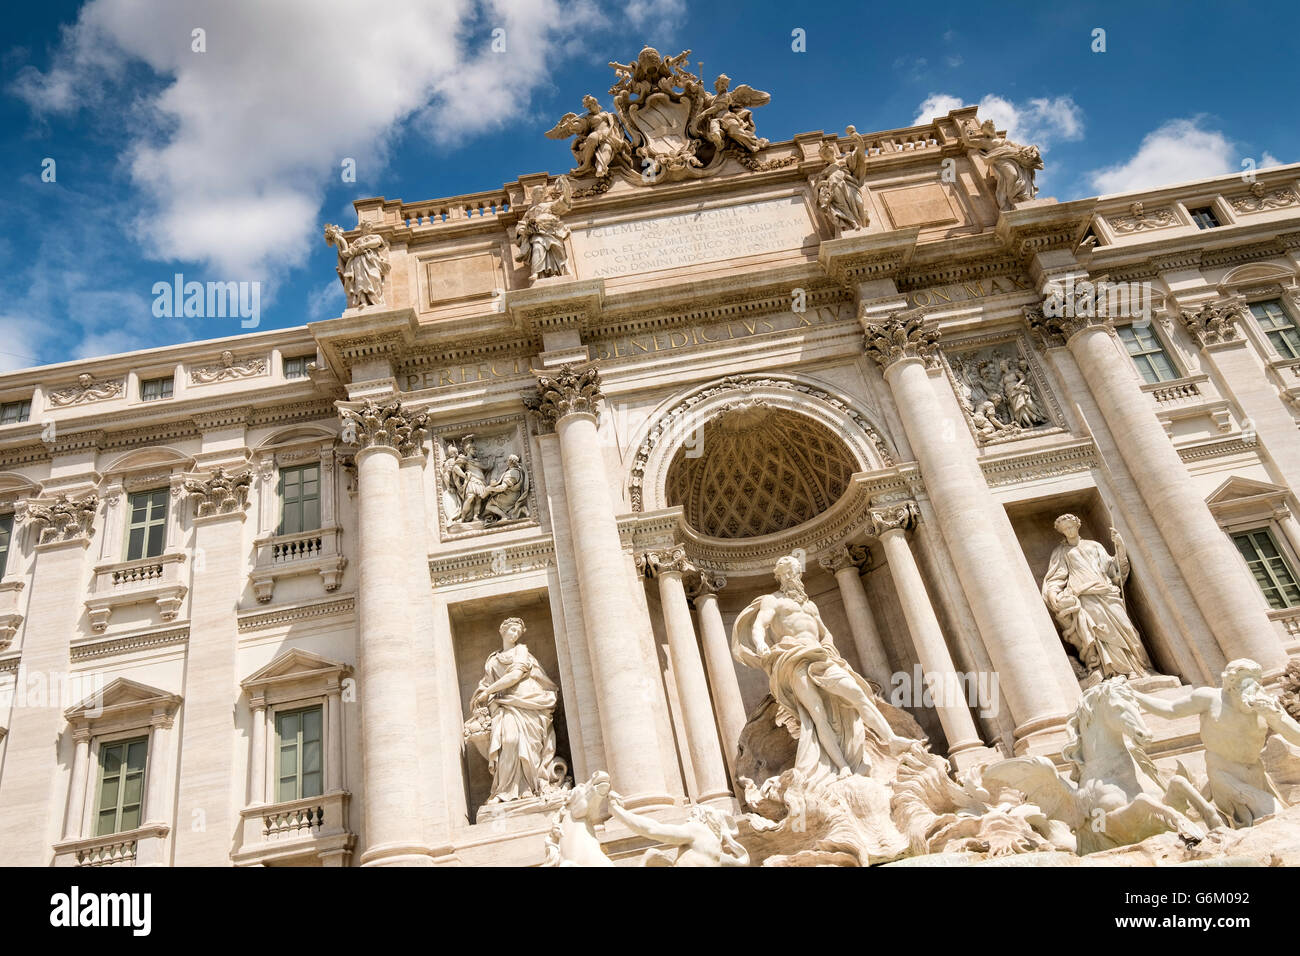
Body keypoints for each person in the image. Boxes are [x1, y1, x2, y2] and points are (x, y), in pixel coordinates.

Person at [732, 556, 913, 782]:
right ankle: (841, 766)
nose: (791, 576)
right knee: (817, 714)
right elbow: (760, 625)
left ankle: (891, 739)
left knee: (857, 694)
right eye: (787, 572)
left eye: (794, 572)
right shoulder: (774, 601)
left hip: (821, 656)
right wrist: (761, 645)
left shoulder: (809, 605)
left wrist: (829, 647)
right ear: (779, 576)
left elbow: (825, 632)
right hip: (793, 658)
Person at [1133, 659, 1300, 827]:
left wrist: (1277, 717)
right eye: (1243, 687)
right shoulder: (1210, 699)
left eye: (1256, 684)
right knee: (1273, 815)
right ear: (1230, 686)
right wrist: (1133, 694)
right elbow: (1170, 710)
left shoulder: (1265, 705)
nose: (1252, 693)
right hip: (1224, 776)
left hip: (1257, 775)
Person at [1042, 513, 1152, 680]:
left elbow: (1113, 569)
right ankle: (1118, 671)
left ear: (1077, 526)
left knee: (1126, 628)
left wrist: (1120, 547)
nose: (1069, 531)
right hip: (1084, 595)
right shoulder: (1061, 552)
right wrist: (1052, 593)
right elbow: (1057, 576)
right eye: (1065, 529)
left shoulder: (1094, 546)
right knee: (1100, 632)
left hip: (1106, 591)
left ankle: (1138, 668)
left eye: (1071, 527)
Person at [467, 618, 560, 803]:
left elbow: (515, 675)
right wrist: (482, 696)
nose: (516, 634)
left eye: (518, 631)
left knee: (529, 744)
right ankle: (505, 791)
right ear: (502, 631)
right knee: (509, 740)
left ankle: (529, 788)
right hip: (504, 704)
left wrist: (488, 691)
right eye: (512, 630)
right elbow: (486, 683)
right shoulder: (493, 659)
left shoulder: (521, 651)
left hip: (528, 700)